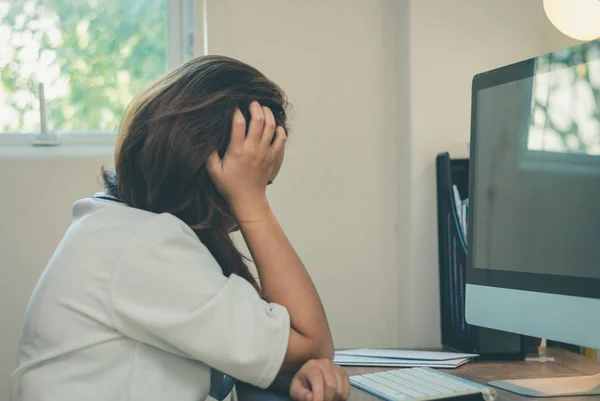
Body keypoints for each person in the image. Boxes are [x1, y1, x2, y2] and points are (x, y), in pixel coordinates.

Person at [10, 55, 350, 401]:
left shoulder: (120, 226)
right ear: (215, 175)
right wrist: (252, 201)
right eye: (259, 180)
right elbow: (312, 343)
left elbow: (271, 346)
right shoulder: (144, 245)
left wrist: (288, 372)